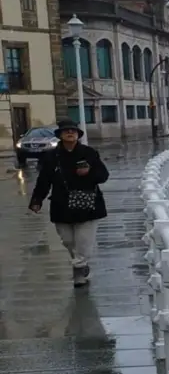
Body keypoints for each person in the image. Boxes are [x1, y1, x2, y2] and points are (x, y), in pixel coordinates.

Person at [28, 120, 110, 287]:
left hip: (88, 205)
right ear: (60, 135)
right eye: (66, 131)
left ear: (78, 135)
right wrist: (37, 200)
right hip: (61, 204)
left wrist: (89, 173)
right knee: (67, 240)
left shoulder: (88, 153)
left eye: (73, 131)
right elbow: (44, 180)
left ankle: (79, 270)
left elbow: (103, 175)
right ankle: (81, 263)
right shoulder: (51, 156)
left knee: (83, 241)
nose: (70, 133)